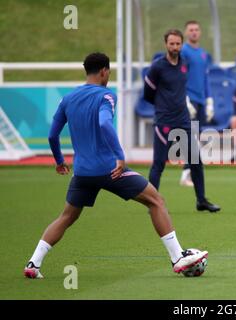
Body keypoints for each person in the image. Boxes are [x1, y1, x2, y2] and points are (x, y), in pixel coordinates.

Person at [23, 52, 207, 279]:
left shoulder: (67, 98)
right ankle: (178, 257)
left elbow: (53, 135)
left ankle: (34, 263)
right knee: (156, 201)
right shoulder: (106, 96)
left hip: (81, 173)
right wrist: (120, 156)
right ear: (104, 71)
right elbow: (103, 123)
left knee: (66, 216)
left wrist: (60, 161)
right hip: (110, 169)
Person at [144, 29, 220, 213]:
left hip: (183, 120)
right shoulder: (157, 67)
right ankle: (151, 204)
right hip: (164, 121)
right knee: (159, 163)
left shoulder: (184, 63)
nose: (175, 47)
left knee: (195, 161)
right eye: (172, 43)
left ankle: (201, 200)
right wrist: (163, 105)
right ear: (166, 44)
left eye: (178, 43)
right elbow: (148, 94)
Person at [180, 20, 214, 187]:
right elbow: (181, 77)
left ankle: (189, 173)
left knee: (197, 136)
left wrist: (210, 101)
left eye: (196, 29)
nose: (194, 32)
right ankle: (187, 174)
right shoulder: (184, 52)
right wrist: (185, 100)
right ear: (186, 33)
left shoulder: (203, 53)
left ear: (200, 32)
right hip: (190, 99)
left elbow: (206, 77)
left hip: (201, 100)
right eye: (191, 30)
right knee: (191, 137)